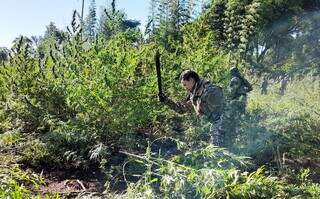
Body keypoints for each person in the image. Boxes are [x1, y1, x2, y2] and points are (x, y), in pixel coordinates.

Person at [159, 70, 225, 146]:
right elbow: (182, 109)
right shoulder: (195, 94)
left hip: (225, 125)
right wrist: (166, 101)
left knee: (219, 150)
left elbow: (222, 113)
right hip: (215, 127)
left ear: (191, 80)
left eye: (185, 85)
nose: (185, 88)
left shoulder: (211, 91)